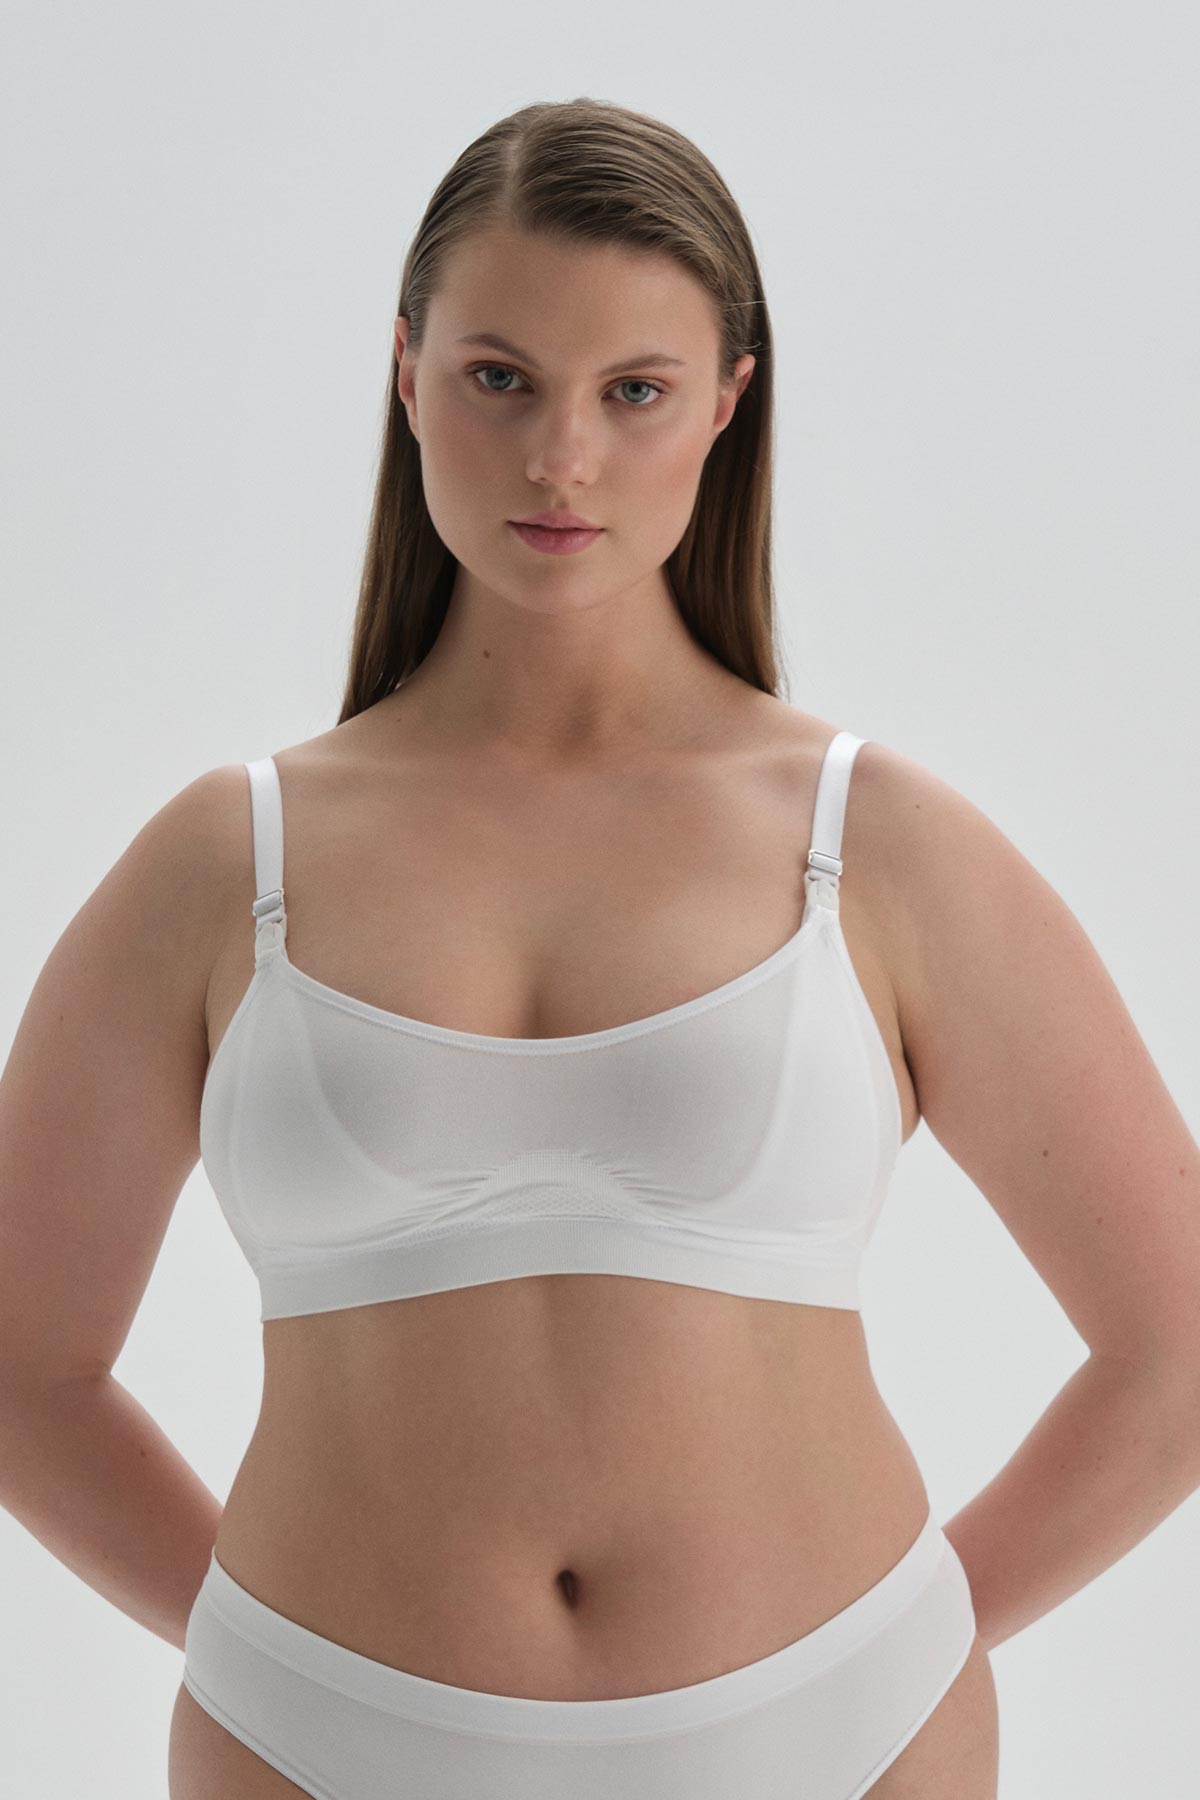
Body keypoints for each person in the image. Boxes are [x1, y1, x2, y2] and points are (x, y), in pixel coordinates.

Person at [5, 98, 1199, 1800]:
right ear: (406, 373)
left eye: (633, 391)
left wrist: (904, 1642)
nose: (561, 457)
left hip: (843, 1732)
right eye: (501, 377)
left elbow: (1176, 1344)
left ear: (726, 402)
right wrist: (265, 1647)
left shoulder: (871, 845)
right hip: (314, 1738)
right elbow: (23, 1366)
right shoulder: (225, 862)